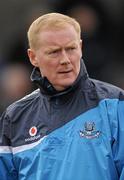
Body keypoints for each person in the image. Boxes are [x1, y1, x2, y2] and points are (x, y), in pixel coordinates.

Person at [0, 12, 124, 180]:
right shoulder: (14, 118)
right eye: (54, 52)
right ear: (33, 57)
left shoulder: (115, 104)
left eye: (71, 49)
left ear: (81, 47)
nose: (65, 59)